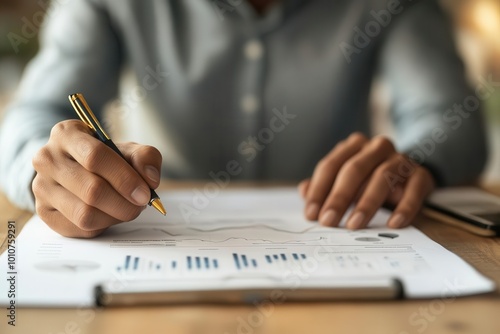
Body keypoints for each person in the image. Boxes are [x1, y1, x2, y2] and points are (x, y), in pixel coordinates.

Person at [0, 0, 487, 238]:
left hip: (340, 230)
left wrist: (415, 161)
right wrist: (49, 172)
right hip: (151, 230)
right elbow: (36, 115)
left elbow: (450, 118)